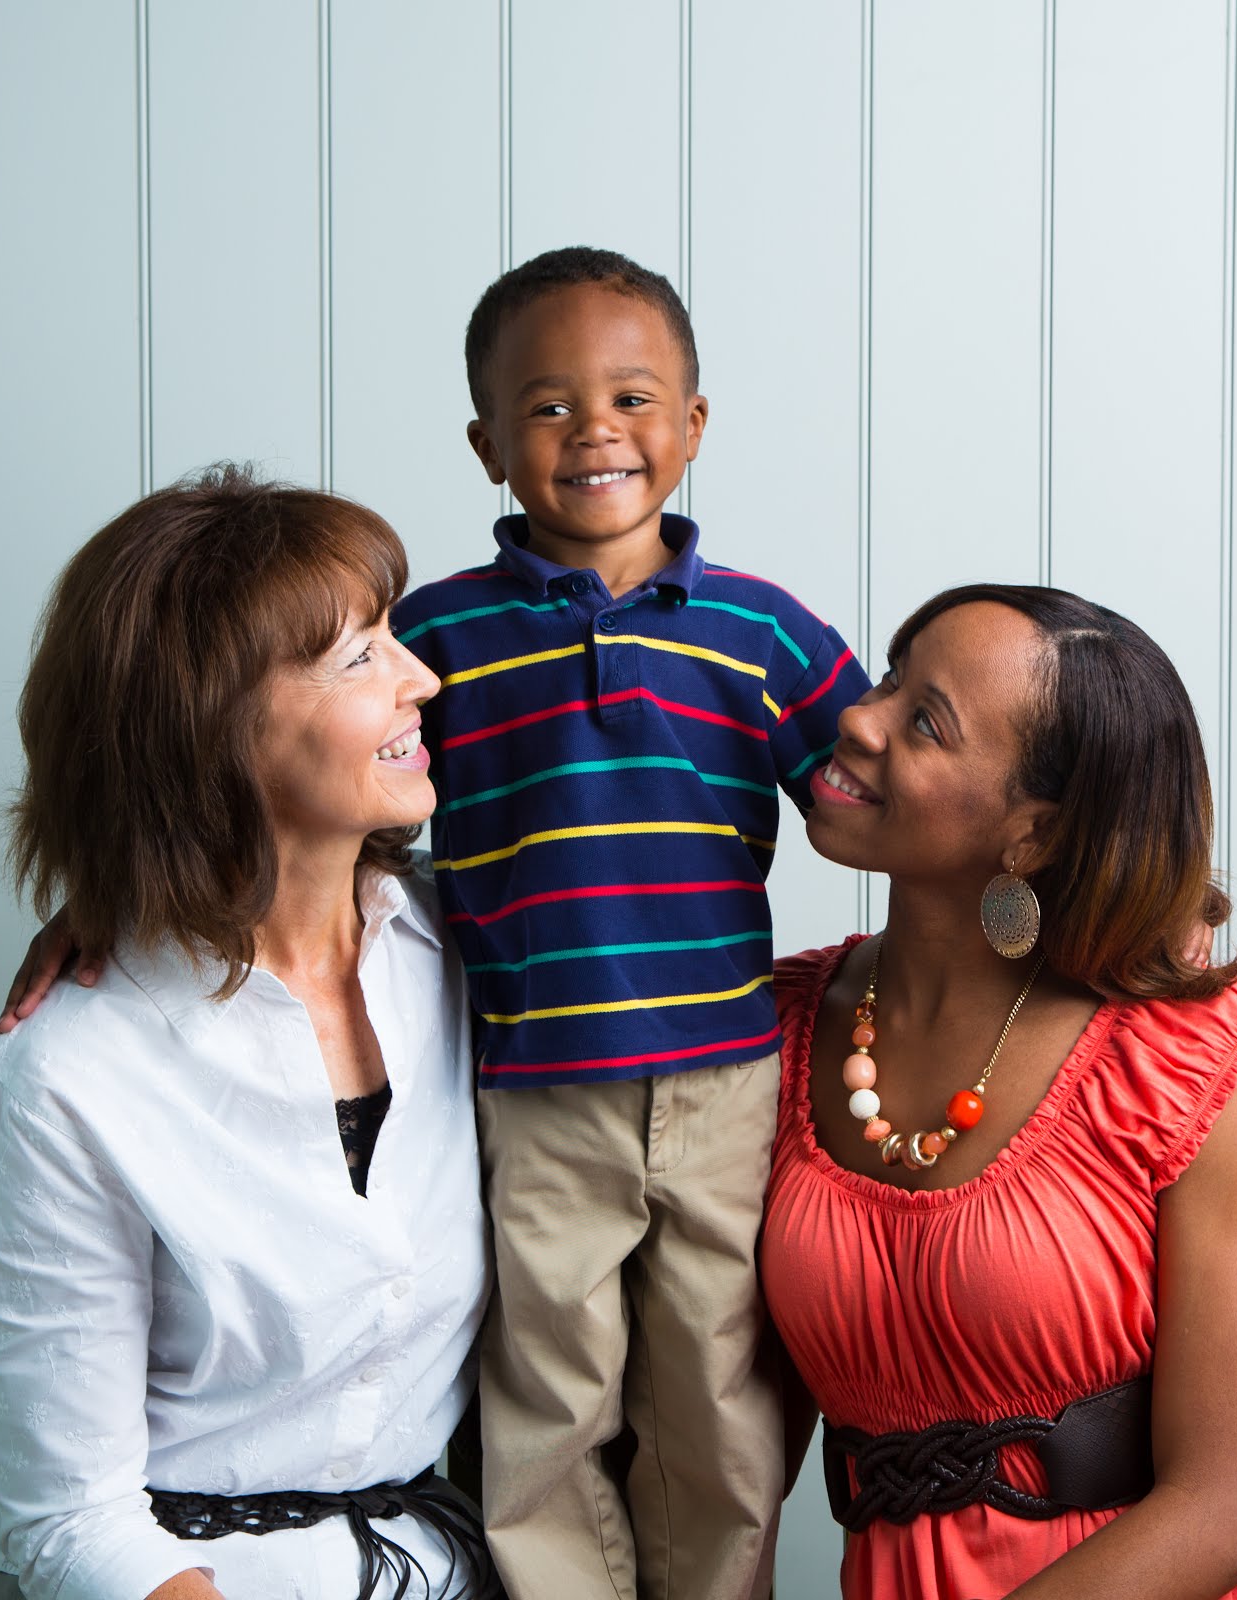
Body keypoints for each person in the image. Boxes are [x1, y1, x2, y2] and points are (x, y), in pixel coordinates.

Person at [388, 246, 872, 1600]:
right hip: (536, 1091)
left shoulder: (760, 635)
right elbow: (336, 817)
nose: (594, 429)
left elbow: (900, 783)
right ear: (487, 445)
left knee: (720, 1404)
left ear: (693, 426)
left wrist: (1080, 871)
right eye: (547, 407)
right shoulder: (438, 642)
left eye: (633, 398)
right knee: (547, 1399)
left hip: (726, 1083)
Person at [0, 468, 497, 1600]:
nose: (421, 677)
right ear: (213, 730)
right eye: (360, 656)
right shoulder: (59, 1081)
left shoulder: (471, 952)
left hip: (415, 1565)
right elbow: (75, 1525)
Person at [762, 583, 1237, 1599]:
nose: (857, 714)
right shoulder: (778, 1026)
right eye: (891, 675)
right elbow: (724, 1431)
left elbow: (1220, 1510)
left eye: (923, 720)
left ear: (1035, 831)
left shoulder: (1194, 1055)